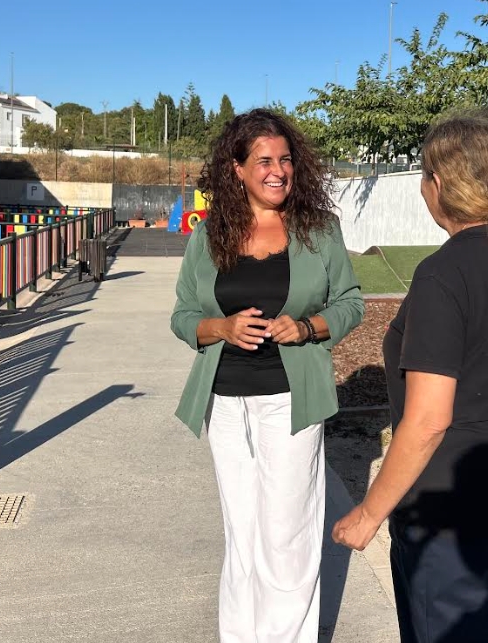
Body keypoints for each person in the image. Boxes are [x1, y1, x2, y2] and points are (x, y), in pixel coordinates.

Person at [332, 116, 488, 643]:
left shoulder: (443, 273)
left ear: (438, 185)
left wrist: (369, 513)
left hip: (454, 499)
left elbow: (426, 421)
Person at [171, 108, 364, 643]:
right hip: (225, 404)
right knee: (243, 533)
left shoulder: (319, 231)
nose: (277, 170)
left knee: (288, 534)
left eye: (285, 159)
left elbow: (350, 302)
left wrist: (307, 328)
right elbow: (183, 314)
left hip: (290, 401)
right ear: (236, 168)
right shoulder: (208, 235)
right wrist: (220, 327)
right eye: (263, 160)